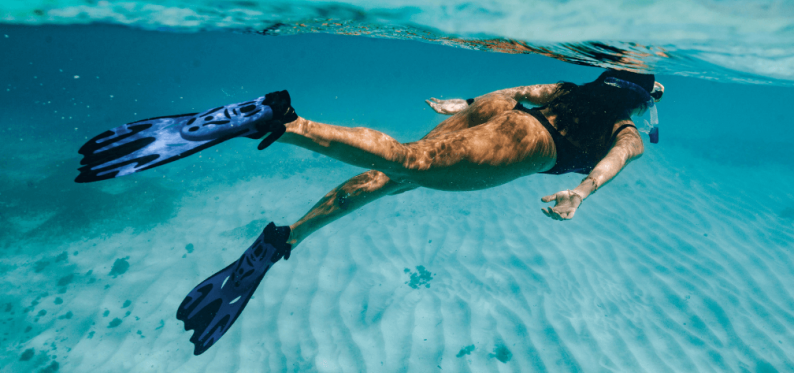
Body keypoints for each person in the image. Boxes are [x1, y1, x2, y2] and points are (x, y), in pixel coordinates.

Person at [75, 69, 664, 355]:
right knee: (411, 164)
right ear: (643, 99)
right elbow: (613, 160)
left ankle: (286, 240)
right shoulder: (629, 129)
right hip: (527, 146)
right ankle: (279, 122)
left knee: (388, 177)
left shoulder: (568, 86)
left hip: (498, 120)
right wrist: (580, 193)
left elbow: (515, 93)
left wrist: (465, 106)